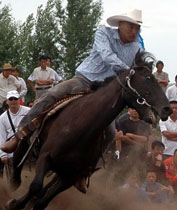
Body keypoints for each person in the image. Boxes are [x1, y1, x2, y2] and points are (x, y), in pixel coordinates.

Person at [1, 9, 144, 192]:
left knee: (109, 133)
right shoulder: (103, 33)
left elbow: (140, 68)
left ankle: (84, 172)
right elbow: (107, 56)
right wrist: (129, 72)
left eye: (137, 28)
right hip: (83, 80)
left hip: (103, 93)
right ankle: (19, 136)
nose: (134, 32)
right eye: (132, 27)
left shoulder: (137, 48)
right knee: (46, 99)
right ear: (121, 25)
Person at [0, 90, 30, 178]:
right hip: (11, 151)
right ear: (7, 101)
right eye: (11, 99)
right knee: (13, 178)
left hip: (28, 146)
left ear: (19, 99)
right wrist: (3, 155)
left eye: (15, 98)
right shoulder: (2, 118)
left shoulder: (29, 111)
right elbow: (1, 136)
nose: (13, 101)